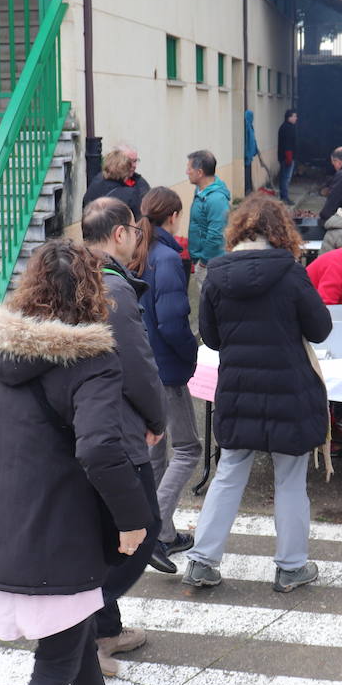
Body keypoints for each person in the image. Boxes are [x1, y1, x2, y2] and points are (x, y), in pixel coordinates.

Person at [0, 239, 151, 685]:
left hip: (3, 525)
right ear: (95, 292)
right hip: (59, 534)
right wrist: (132, 520)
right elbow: (99, 449)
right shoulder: (92, 360)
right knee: (53, 665)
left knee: (71, 638)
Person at [182, 195, 332, 592]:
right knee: (290, 479)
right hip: (289, 390)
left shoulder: (216, 275)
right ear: (281, 231)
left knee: (229, 473)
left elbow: (211, 338)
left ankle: (202, 561)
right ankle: (291, 567)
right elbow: (320, 329)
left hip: (238, 389)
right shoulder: (291, 273)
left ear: (238, 231)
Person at [81, 198, 166, 675]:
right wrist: (157, 418)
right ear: (119, 234)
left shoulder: (77, 277)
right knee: (142, 528)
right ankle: (80, 628)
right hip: (116, 431)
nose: (138, 237)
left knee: (104, 534)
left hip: (88, 427)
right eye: (135, 230)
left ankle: (105, 631)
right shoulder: (113, 288)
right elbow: (137, 365)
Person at [130, 188, 202, 572]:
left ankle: (167, 534)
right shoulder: (168, 258)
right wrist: (191, 352)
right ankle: (155, 531)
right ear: (173, 216)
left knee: (156, 452)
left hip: (142, 365)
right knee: (189, 448)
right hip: (166, 369)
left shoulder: (139, 252)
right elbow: (173, 322)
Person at [187, 149, 231, 290]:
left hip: (211, 264)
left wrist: (203, 262)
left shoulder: (216, 199)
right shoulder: (201, 191)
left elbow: (216, 234)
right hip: (202, 260)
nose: (187, 172)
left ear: (200, 172)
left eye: (189, 169)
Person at [82, 148, 149, 219]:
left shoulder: (95, 183)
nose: (134, 166)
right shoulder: (129, 194)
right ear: (125, 169)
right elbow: (140, 218)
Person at [277, 109, 298, 202]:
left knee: (284, 177)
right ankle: (284, 197)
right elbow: (287, 144)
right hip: (287, 157)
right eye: (294, 116)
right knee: (286, 178)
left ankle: (283, 196)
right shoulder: (287, 128)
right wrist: (289, 157)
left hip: (284, 156)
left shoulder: (286, 127)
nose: (296, 118)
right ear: (289, 117)